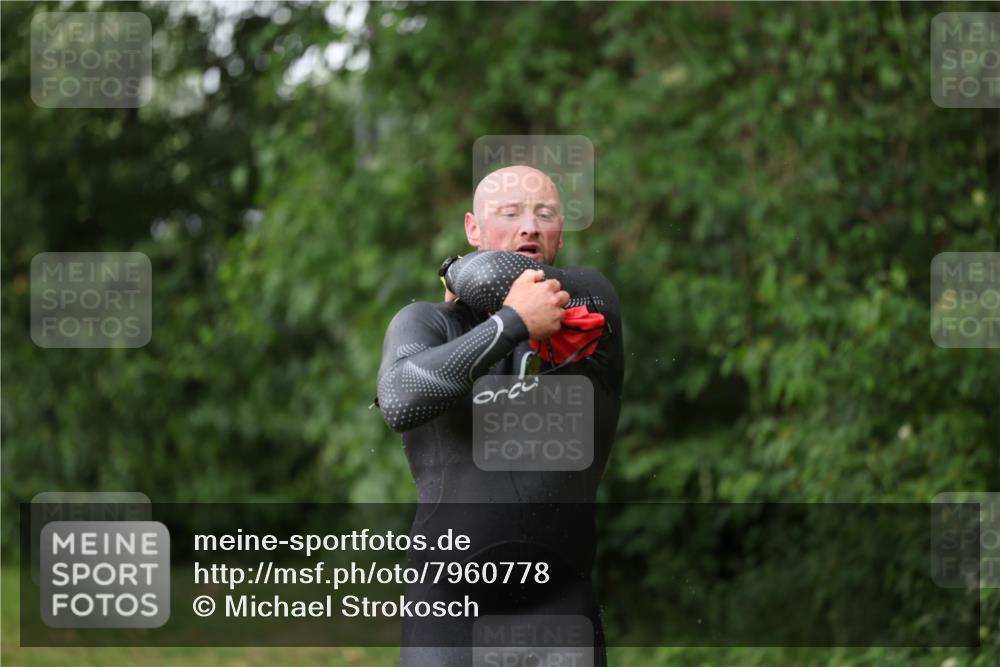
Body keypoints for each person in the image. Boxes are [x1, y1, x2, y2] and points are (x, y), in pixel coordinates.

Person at [376, 165, 624, 666]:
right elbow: (400, 400)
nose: (529, 226)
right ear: (474, 228)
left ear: (561, 232)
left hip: (560, 611)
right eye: (509, 213)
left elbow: (489, 274)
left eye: (545, 213)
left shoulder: (588, 304)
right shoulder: (426, 322)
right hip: (446, 611)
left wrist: (454, 269)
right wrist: (511, 324)